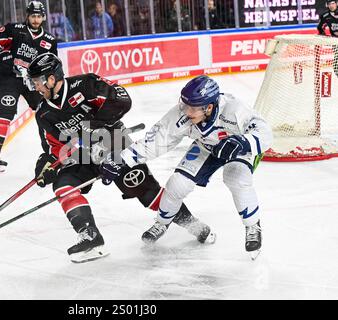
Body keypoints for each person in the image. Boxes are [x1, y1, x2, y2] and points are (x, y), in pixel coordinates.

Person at [26, 53, 215, 263]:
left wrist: (96, 123)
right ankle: (91, 237)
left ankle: (193, 224)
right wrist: (48, 163)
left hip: (114, 143)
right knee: (63, 185)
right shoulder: (43, 113)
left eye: (37, 82)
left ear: (51, 79)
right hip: (82, 155)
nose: (35, 87)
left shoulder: (86, 84)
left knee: (148, 193)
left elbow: (122, 100)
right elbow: (55, 146)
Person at [100, 75, 273, 260]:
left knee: (236, 177)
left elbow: (265, 132)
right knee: (177, 184)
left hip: (238, 149)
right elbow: (157, 140)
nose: (186, 111)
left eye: (192, 108)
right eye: (184, 105)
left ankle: (252, 226)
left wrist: (242, 142)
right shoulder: (183, 113)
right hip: (206, 145)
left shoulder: (235, 109)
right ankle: (161, 223)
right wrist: (122, 159)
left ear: (209, 107)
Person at [0, 1, 57, 172]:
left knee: (45, 112)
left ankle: (51, 153)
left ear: (43, 17)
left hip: (33, 81)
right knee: (5, 113)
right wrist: (2, 54)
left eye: (39, 16)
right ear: (27, 16)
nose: (36, 20)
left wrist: (50, 82)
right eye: (33, 16)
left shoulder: (49, 40)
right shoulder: (14, 29)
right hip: (9, 79)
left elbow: (52, 64)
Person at [317, 0, 338, 77]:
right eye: (329, 4)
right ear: (327, 5)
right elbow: (320, 27)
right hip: (335, 42)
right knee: (336, 66)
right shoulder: (325, 16)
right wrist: (323, 34)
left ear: (336, 4)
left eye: (333, 3)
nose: (331, 5)